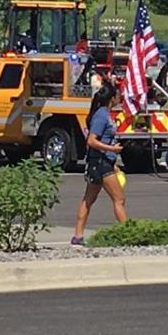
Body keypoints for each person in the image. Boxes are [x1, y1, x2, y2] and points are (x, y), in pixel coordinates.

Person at [71, 90, 129, 243]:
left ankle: (78, 236)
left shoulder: (104, 114)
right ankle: (129, 233)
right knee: (119, 199)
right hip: (101, 163)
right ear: (111, 98)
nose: (119, 98)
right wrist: (112, 150)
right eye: (118, 96)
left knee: (88, 199)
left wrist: (114, 162)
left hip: (103, 162)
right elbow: (91, 141)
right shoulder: (101, 116)